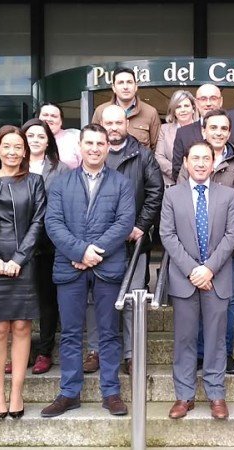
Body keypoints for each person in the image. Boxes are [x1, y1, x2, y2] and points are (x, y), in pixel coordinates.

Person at [41, 124, 135, 418]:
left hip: (108, 267)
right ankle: (69, 393)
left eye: (100, 143)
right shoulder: (60, 183)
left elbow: (124, 222)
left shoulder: (121, 183)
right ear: (80, 147)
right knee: (70, 333)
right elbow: (53, 222)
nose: (94, 148)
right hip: (70, 267)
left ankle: (111, 392)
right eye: (89, 143)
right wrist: (80, 251)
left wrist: (93, 253)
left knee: (109, 333)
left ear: (108, 147)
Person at [162, 142, 234, 420]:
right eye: (194, 158)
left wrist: (208, 269)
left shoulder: (227, 194)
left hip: (217, 278)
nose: (200, 163)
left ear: (213, 162)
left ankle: (216, 393)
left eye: (205, 158)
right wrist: (193, 270)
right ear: (185, 162)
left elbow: (232, 234)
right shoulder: (172, 195)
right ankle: (184, 395)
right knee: (184, 339)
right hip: (184, 279)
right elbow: (167, 235)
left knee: (216, 339)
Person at [0, 126, 46, 419]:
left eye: (19, 147)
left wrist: (19, 258)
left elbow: (38, 222)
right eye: (7, 146)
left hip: (23, 263)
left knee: (22, 327)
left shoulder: (35, 182)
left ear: (25, 151)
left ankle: (17, 392)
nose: (13, 151)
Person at [84, 105, 163, 376]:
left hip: (134, 242)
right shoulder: (94, 155)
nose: (114, 127)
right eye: (109, 123)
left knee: (132, 300)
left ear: (127, 124)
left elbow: (155, 191)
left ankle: (132, 354)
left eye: (119, 122)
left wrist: (141, 226)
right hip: (98, 243)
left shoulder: (143, 155)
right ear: (101, 124)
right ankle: (95, 350)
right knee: (95, 299)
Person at [178, 109, 234, 375]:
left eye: (223, 128)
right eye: (213, 128)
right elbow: (180, 199)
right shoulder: (192, 161)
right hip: (193, 247)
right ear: (204, 131)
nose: (218, 132)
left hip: (227, 245)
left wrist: (224, 220)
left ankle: (226, 353)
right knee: (197, 298)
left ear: (229, 133)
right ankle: (200, 353)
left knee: (227, 301)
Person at [22, 118, 70, 374]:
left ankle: (44, 350)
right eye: (31, 135)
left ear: (49, 141)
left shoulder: (60, 169)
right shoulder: (12, 165)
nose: (36, 140)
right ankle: (21, 351)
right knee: (19, 301)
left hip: (48, 244)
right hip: (16, 244)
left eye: (41, 136)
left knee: (46, 300)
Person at [91, 67, 161, 150]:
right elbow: (93, 141)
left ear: (136, 86)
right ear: (113, 87)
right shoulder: (101, 111)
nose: (125, 87)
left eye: (129, 82)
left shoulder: (150, 112)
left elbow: (156, 148)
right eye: (121, 82)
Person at [170, 84, 224, 181]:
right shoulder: (183, 133)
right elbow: (177, 171)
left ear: (221, 101)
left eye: (213, 98)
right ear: (196, 103)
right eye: (203, 99)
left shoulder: (230, 129)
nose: (208, 103)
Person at [155, 90, 197, 186]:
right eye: (178, 107)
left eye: (186, 106)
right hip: (171, 184)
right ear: (174, 111)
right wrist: (180, 174)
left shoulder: (202, 129)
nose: (183, 110)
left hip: (197, 182)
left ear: (193, 108)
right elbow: (159, 157)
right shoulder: (164, 129)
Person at [38, 102, 82, 169]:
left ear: (61, 121)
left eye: (54, 116)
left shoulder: (74, 138)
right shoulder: (29, 138)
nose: (49, 119)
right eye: (45, 115)